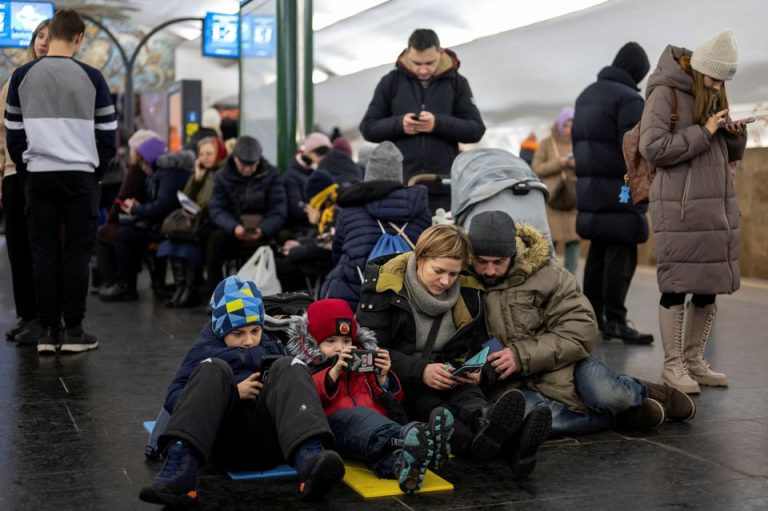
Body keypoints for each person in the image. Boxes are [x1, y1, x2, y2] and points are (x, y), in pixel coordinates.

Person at [462, 211, 695, 435]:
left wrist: (519, 356)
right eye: (482, 261)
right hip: (512, 384)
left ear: (513, 253)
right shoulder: (461, 282)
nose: (489, 270)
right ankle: (618, 417)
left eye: (498, 262)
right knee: (528, 419)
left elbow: (580, 329)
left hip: (568, 364)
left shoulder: (550, 276)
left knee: (609, 394)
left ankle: (648, 391)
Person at [356, 224, 551, 477]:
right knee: (439, 414)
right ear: (421, 257)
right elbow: (369, 350)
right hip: (405, 384)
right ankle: (513, 448)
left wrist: (482, 370)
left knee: (470, 398)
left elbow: (484, 342)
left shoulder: (468, 289)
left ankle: (486, 421)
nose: (445, 281)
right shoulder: (384, 285)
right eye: (438, 271)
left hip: (453, 373)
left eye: (453, 274)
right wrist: (420, 371)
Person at [139, 276, 344, 507]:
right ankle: (180, 475)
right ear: (220, 330)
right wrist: (232, 394)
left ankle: (310, 459)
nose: (248, 341)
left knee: (291, 366)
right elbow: (174, 397)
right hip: (224, 442)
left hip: (270, 441)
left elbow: (296, 391)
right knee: (213, 367)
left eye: (255, 330)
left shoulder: (270, 344)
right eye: (238, 334)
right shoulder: (204, 350)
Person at [639, 29, 746, 394]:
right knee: (677, 285)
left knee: (708, 285)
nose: (717, 87)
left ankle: (694, 361)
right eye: (714, 79)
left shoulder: (712, 93)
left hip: (714, 205)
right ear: (701, 70)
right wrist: (705, 130)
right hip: (679, 207)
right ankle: (673, 366)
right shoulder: (664, 92)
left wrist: (733, 134)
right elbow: (653, 147)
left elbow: (726, 153)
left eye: (723, 82)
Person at [5, 9, 116, 353]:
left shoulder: (22, 75)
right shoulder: (93, 77)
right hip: (81, 177)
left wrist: (29, 169)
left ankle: (47, 330)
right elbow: (108, 136)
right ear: (80, 38)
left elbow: (13, 135)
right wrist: (94, 171)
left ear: (50, 34)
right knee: (78, 254)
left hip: (38, 177)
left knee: (43, 253)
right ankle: (73, 331)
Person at [285, 298, 454, 494]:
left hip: (373, 432)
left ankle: (405, 467)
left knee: (383, 453)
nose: (340, 347)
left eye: (347, 341)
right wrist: (334, 372)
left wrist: (383, 377)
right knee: (360, 417)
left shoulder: (363, 366)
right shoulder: (307, 367)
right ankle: (416, 438)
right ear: (314, 342)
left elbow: (393, 400)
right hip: (336, 428)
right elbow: (306, 397)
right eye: (331, 341)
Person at [572, 41, 654, 345]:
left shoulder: (586, 95)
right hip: (621, 188)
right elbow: (635, 150)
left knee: (598, 252)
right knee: (622, 250)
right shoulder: (629, 99)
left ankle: (592, 317)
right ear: (637, 72)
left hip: (591, 189)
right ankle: (617, 320)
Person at [359, 28, 486, 184]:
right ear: (407, 53)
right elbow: (368, 128)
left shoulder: (457, 83)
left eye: (429, 63)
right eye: (417, 63)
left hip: (443, 182)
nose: (423, 70)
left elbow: (476, 130)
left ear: (440, 53)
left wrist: (437, 124)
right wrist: (399, 125)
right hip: (402, 183)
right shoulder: (390, 82)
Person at [321, 141, 432, 309]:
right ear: (399, 174)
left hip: (354, 292)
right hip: (405, 297)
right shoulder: (422, 210)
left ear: (368, 173)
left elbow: (338, 251)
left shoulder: (351, 208)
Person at [1, 19, 49, 345]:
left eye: (50, 36)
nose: (44, 42)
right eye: (40, 36)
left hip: (46, 174)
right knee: (18, 248)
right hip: (13, 173)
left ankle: (43, 317)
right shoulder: (14, 79)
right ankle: (26, 316)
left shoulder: (61, 81)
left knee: (41, 248)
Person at [99, 139, 192, 302]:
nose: (140, 166)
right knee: (124, 232)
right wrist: (139, 206)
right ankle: (125, 284)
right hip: (160, 224)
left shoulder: (168, 173)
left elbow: (162, 205)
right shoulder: (161, 172)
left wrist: (135, 209)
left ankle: (124, 285)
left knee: (123, 235)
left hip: (166, 227)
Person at [206, 135, 287, 289]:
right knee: (215, 240)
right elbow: (217, 208)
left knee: (285, 237)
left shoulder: (271, 175)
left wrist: (264, 229)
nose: (248, 169)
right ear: (235, 158)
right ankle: (215, 292)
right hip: (234, 228)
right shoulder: (222, 176)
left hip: (264, 228)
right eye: (243, 165)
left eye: (253, 165)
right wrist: (234, 227)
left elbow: (278, 209)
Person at [157, 136, 227, 307]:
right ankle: (181, 288)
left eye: (209, 153)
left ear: (219, 153)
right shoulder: (202, 172)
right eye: (202, 154)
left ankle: (190, 289)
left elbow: (216, 202)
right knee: (173, 239)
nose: (205, 157)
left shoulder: (222, 174)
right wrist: (196, 179)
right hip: (195, 219)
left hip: (207, 221)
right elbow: (186, 197)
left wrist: (198, 210)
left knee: (187, 241)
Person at [532, 106, 580, 275]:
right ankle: (546, 277)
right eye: (566, 125)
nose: (569, 129)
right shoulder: (546, 143)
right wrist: (560, 162)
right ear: (560, 124)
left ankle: (570, 281)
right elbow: (536, 168)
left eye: (572, 125)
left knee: (573, 241)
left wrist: (576, 164)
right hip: (552, 200)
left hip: (572, 199)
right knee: (548, 241)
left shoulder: (579, 142)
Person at [276, 169, 337, 292]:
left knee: (281, 267)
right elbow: (321, 240)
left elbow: (323, 247)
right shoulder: (330, 208)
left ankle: (289, 304)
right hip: (326, 260)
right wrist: (300, 244)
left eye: (307, 204)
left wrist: (294, 252)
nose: (306, 210)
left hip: (327, 263)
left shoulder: (332, 212)